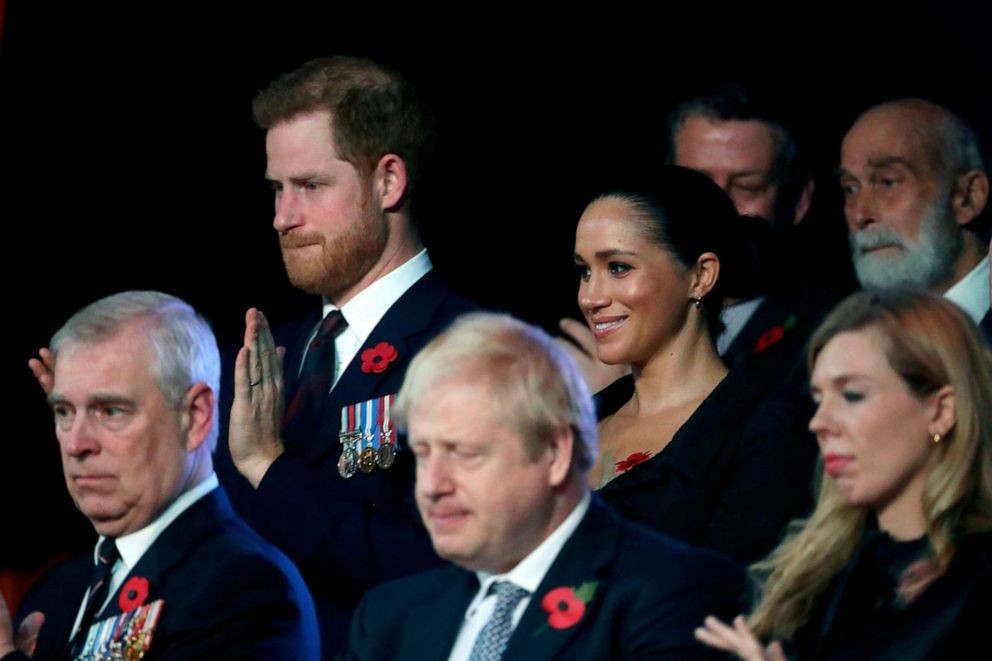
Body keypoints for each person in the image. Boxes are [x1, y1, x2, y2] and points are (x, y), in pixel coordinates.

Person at [213, 55, 478, 655]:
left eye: (310, 186)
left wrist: (271, 469)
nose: (282, 218)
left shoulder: (471, 349)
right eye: (277, 190)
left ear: (388, 181)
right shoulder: (259, 359)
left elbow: (445, 570)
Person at [345, 313, 746, 660]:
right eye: (423, 454)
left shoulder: (671, 594)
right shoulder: (387, 618)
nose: (431, 486)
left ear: (554, 452)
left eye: (463, 453)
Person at [8, 291, 319, 660]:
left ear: (196, 415)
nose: (76, 444)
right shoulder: (57, 592)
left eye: (110, 411)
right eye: (64, 411)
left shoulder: (245, 587)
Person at [696, 289, 992, 659]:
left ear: (941, 410)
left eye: (852, 395)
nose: (820, 423)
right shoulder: (810, 572)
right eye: (819, 399)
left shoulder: (975, 584)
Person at [574, 165, 818, 564]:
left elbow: (736, 593)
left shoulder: (764, 429)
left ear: (701, 276)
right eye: (584, 271)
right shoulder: (575, 420)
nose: (590, 296)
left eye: (617, 267)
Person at [561, 85, 845, 393]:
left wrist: (626, 391)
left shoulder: (836, 334)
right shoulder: (598, 319)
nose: (718, 204)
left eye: (748, 186)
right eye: (696, 184)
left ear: (800, 201)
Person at [840, 98, 990, 341]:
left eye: (888, 182)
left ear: (967, 197)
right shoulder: (856, 340)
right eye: (850, 189)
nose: (860, 215)